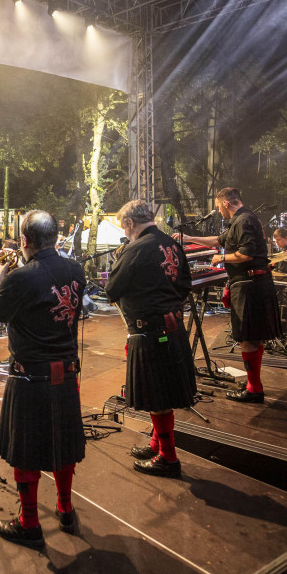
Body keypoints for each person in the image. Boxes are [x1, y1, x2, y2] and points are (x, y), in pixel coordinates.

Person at [0, 210, 86, 548]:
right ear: (54, 237)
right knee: (63, 446)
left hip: (31, 377)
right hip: (66, 374)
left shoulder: (19, 278)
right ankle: (66, 509)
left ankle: (29, 524)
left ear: (24, 241)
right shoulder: (75, 269)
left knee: (26, 453)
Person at [106, 200, 195, 478]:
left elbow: (111, 289)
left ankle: (168, 458)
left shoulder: (136, 249)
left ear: (130, 224)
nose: (125, 231)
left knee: (158, 397)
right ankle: (157, 444)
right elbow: (184, 286)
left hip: (150, 331)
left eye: (124, 226)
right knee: (162, 393)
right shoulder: (172, 244)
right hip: (171, 327)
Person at [177, 188, 280, 403]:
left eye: (218, 207)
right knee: (252, 338)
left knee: (247, 339)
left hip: (250, 285)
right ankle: (255, 383)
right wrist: (188, 238)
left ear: (225, 203)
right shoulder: (244, 219)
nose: (218, 212)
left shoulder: (243, 221)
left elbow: (246, 253)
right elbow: (218, 240)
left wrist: (220, 260)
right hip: (254, 283)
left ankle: (254, 390)